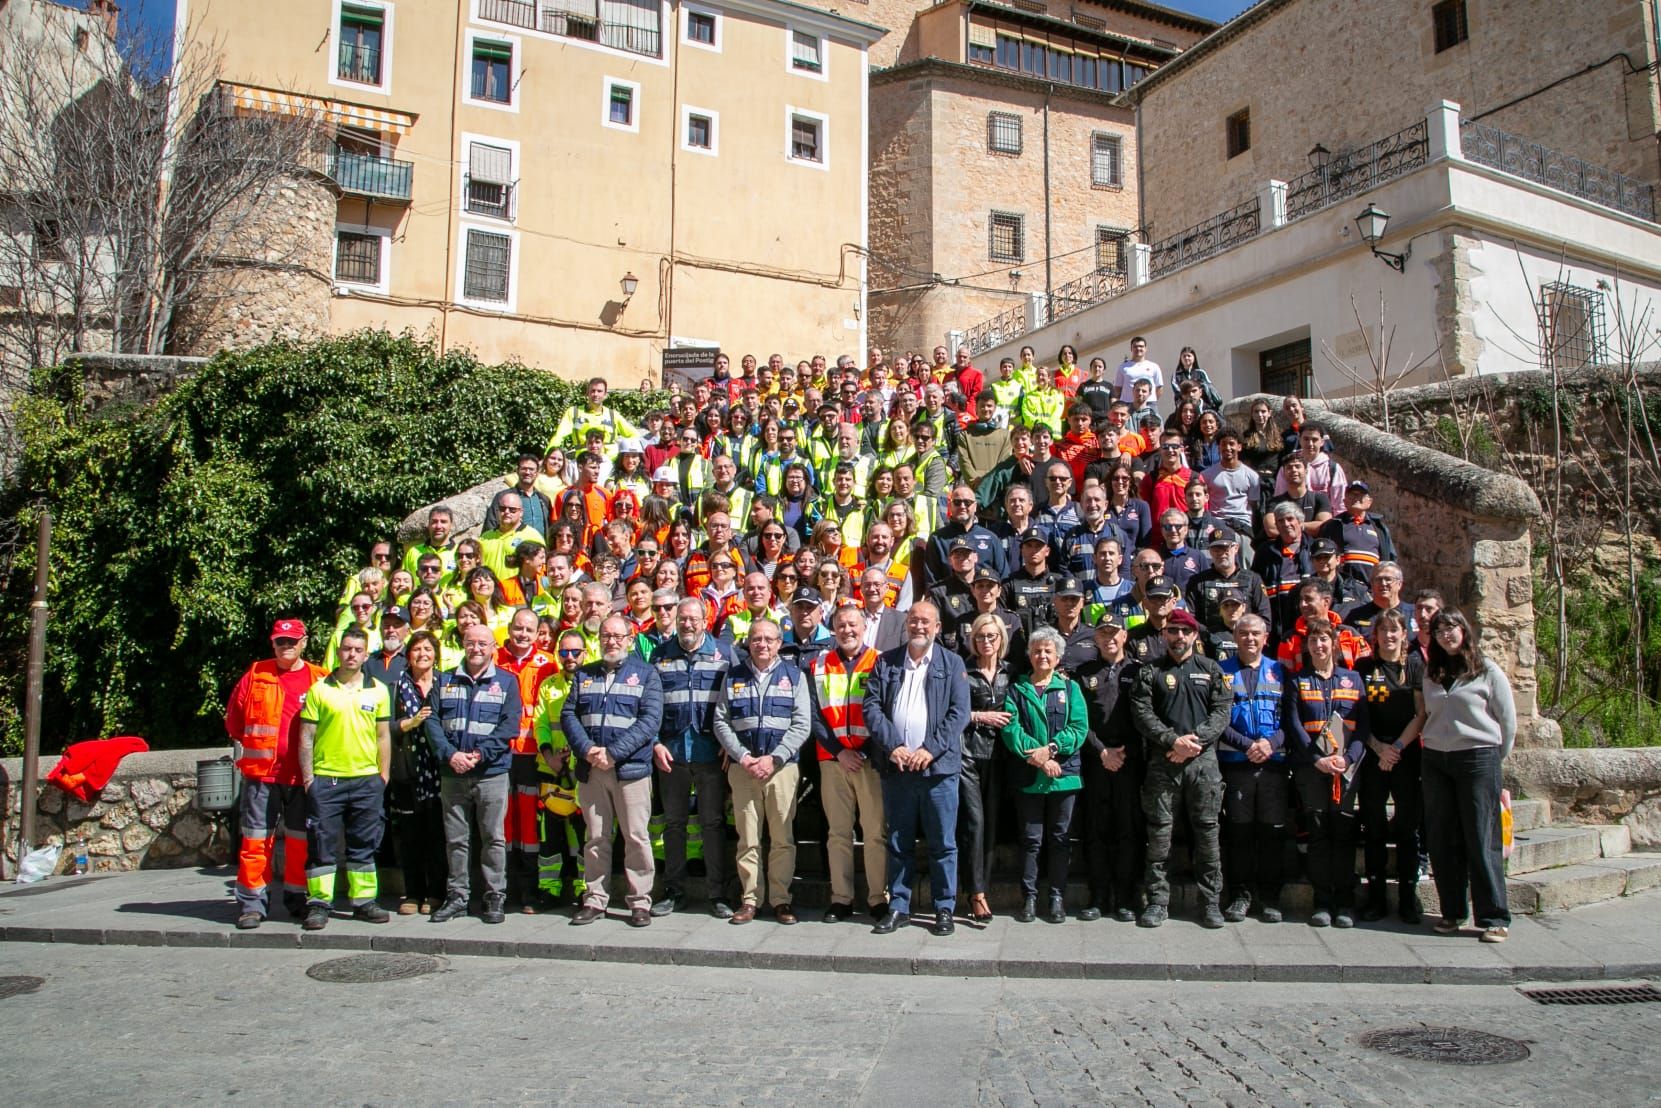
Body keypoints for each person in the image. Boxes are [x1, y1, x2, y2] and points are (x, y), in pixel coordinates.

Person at [862, 600, 971, 937]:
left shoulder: (952, 664)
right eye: (913, 620)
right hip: (898, 769)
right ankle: (899, 905)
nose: (919, 626)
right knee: (898, 841)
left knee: (942, 843)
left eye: (926, 622)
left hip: (938, 771)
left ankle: (943, 908)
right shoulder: (886, 662)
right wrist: (893, 745)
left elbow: (959, 713)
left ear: (938, 627)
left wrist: (929, 749)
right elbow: (872, 707)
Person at [1417, 609, 1516, 943]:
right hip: (1435, 759)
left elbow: (1507, 721)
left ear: (1464, 630)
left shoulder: (1486, 671)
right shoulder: (1431, 673)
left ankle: (1494, 917)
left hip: (1477, 757)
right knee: (1443, 838)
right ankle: (1452, 912)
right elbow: (1427, 715)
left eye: (1452, 628)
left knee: (1480, 835)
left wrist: (1494, 758)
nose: (1446, 635)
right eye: (1439, 630)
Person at [1128, 608, 1231, 929]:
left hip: (1203, 765)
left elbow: (1222, 710)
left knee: (1207, 832)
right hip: (1164, 763)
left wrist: (1194, 742)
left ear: (1195, 635)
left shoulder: (1211, 669)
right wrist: (1173, 741)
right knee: (1159, 834)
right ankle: (1158, 902)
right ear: (1164, 634)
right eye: (1172, 631)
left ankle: (1210, 902)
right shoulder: (1150, 672)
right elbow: (1142, 712)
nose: (1179, 637)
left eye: (1185, 631)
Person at [224, 617, 327, 929]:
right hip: (262, 775)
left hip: (302, 777)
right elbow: (235, 722)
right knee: (256, 841)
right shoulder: (256, 674)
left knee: (299, 843)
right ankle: (252, 904)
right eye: (280, 641)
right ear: (272, 643)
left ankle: (296, 899)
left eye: (292, 641)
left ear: (304, 642)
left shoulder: (318, 678)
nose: (286, 646)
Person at [565, 616, 665, 928]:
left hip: (630, 770)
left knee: (636, 837)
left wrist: (613, 753)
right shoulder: (584, 674)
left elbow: (650, 721)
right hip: (592, 769)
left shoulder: (647, 674)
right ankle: (594, 899)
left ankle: (639, 901)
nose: (611, 641)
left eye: (618, 636)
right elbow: (569, 714)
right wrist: (587, 750)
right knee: (595, 837)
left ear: (630, 639)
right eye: (606, 636)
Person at [713, 619, 812, 924]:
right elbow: (721, 721)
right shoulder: (734, 675)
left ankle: (781, 899)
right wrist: (742, 757)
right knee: (748, 838)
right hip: (744, 768)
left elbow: (802, 724)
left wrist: (775, 758)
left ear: (780, 643)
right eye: (756, 639)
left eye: (769, 639)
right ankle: (750, 899)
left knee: (782, 836)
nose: (763, 644)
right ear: (748, 643)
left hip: (781, 768)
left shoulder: (794, 676)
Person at [296, 627, 393, 931]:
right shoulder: (319, 690)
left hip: (366, 779)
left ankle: (363, 902)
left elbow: (383, 736)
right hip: (328, 779)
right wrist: (309, 779)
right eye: (347, 648)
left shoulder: (378, 690)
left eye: (358, 650)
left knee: (363, 844)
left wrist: (383, 775)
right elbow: (306, 737)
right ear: (338, 651)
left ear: (366, 655)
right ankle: (319, 903)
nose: (352, 654)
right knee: (322, 844)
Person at [425, 623, 522, 925]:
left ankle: (495, 895)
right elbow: (432, 723)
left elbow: (509, 726)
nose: (476, 649)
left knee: (493, 837)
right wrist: (450, 755)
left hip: (491, 772)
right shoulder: (444, 681)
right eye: (471, 642)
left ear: (494, 647)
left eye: (483, 643)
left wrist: (479, 755)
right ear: (463, 644)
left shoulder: (507, 682)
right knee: (456, 839)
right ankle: (457, 895)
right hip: (452, 772)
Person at [650, 597, 734, 918]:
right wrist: (656, 743)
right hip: (670, 754)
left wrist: (730, 742)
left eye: (693, 618)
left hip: (710, 752)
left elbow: (734, 701)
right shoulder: (659, 656)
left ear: (705, 620)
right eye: (681, 617)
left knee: (712, 823)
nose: (686, 623)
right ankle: (674, 890)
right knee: (674, 824)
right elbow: (651, 706)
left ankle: (717, 893)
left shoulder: (723, 655)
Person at [999, 626, 1088, 925]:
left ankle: (1057, 897)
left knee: (1061, 838)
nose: (1042, 655)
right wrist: (1037, 758)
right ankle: (1030, 897)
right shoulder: (1017, 689)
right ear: (1029, 655)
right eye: (1037, 650)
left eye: (1048, 650)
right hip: (1030, 776)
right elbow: (1011, 730)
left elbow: (1078, 728)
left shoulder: (1070, 689)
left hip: (1064, 775)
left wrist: (1050, 751)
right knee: (1031, 839)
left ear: (1058, 655)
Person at [1284, 621, 1369, 928]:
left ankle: (1345, 902)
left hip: (1346, 772)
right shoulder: (1297, 681)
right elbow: (1293, 726)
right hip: (1311, 769)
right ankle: (1322, 901)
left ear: (1334, 644)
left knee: (1344, 834)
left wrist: (1348, 759)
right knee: (1318, 834)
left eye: (1324, 640)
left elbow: (1364, 728)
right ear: (1307, 647)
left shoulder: (1353, 679)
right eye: (1313, 641)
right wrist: (1317, 759)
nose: (1319, 645)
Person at [809, 605, 890, 921]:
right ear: (833, 629)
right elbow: (815, 715)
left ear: (864, 627)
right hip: (833, 760)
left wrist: (866, 751)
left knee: (874, 832)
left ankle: (877, 898)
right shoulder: (818, 665)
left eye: (853, 624)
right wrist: (840, 751)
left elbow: (885, 711)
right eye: (841, 625)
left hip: (870, 761)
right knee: (838, 833)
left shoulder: (880, 661)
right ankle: (841, 898)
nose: (847, 630)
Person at [1217, 614, 1290, 923]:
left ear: (1265, 638)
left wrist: (1271, 743)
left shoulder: (1280, 671)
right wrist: (1247, 745)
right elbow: (1218, 719)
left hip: (1273, 764)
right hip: (1236, 764)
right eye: (1243, 633)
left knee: (1272, 834)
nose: (1249, 639)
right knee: (1239, 834)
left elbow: (1291, 717)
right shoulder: (1221, 672)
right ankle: (1240, 895)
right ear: (1235, 637)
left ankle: (1270, 896)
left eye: (1255, 634)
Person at [1356, 609, 1426, 923]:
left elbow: (1421, 713)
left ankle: (1409, 897)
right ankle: (1376, 896)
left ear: (1403, 634)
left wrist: (1396, 748)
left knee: (1407, 827)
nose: (1389, 636)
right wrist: (1378, 748)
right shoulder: (1363, 667)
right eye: (1383, 630)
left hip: (1405, 752)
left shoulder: (1414, 666)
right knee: (1373, 826)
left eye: (1394, 630)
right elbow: (1358, 714)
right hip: (1373, 752)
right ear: (1376, 635)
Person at [1075, 616, 1144, 922]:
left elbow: (1145, 715)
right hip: (1096, 759)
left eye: (1113, 633)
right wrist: (1102, 751)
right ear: (1096, 639)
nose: (1109, 638)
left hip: (1129, 760)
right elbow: (1078, 720)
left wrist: (1122, 753)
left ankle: (1127, 897)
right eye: (1102, 634)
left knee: (1129, 830)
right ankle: (1099, 896)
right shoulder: (1083, 673)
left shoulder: (1138, 671)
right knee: (1096, 830)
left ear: (1124, 635)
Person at [389, 629, 446, 917]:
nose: (422, 654)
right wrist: (407, 725)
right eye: (416, 649)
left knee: (437, 833)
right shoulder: (397, 685)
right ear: (407, 654)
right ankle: (412, 892)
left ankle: (436, 892)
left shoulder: (445, 682)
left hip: (438, 769)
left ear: (436, 653)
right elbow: (382, 726)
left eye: (427, 649)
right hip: (408, 768)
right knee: (411, 836)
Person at [960, 612, 1012, 924]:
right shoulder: (963, 671)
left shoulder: (1011, 672)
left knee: (991, 824)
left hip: (1000, 756)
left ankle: (984, 886)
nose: (986, 641)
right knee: (974, 822)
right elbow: (951, 710)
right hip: (968, 754)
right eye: (981, 636)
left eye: (992, 636)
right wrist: (980, 716)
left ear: (1001, 639)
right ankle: (975, 893)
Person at [1114, 336, 1163, 410]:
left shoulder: (1154, 366)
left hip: (1149, 403)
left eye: (1141, 346)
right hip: (1128, 404)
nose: (1138, 349)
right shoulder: (1123, 367)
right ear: (1131, 349)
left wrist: (1150, 398)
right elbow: (1117, 389)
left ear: (1146, 349)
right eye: (1135, 346)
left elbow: (1159, 388)